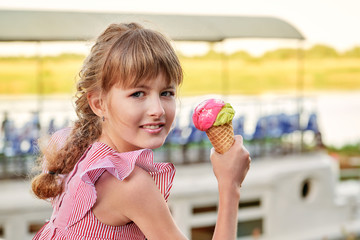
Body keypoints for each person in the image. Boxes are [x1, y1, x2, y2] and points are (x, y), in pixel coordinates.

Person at [31, 22, 251, 240]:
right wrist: (229, 184)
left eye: (166, 93)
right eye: (138, 94)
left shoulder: (73, 146)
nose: (157, 110)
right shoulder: (130, 184)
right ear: (98, 103)